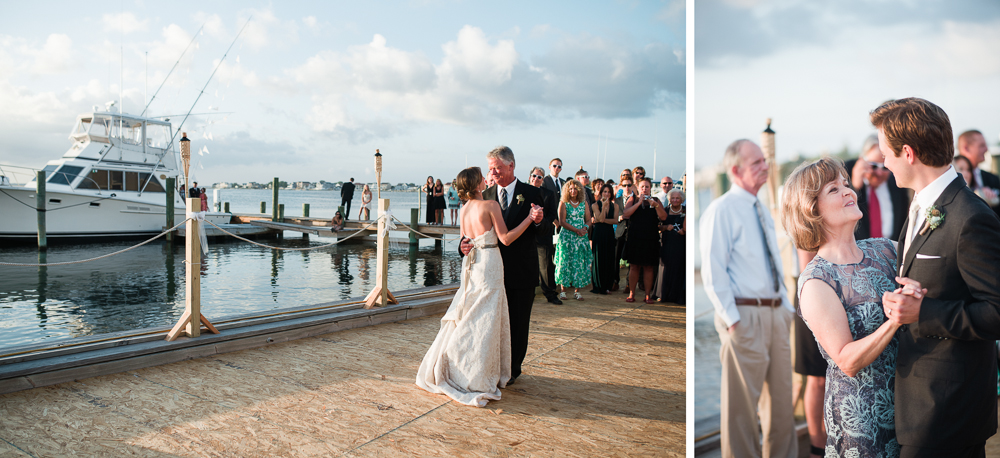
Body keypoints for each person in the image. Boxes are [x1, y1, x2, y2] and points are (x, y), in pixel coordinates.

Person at [873, 98, 1000, 456]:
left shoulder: (970, 217)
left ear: (908, 153)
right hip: (917, 404)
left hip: (948, 409)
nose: (883, 160)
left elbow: (996, 312)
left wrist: (923, 312)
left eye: (886, 152)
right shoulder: (918, 204)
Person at [783, 157, 902, 457]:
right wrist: (895, 321)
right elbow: (847, 360)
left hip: (911, 409)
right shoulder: (817, 281)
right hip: (862, 424)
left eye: (846, 184)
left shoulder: (886, 249)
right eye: (834, 189)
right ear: (812, 210)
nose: (849, 192)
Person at [700, 139, 797, 458]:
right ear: (735, 170)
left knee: (782, 407)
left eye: (764, 161)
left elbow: (773, 262)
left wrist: (785, 307)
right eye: (755, 162)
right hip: (744, 316)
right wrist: (733, 320)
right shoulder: (721, 210)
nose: (764, 167)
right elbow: (713, 272)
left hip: (775, 315)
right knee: (741, 414)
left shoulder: (761, 208)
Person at [416, 166, 543, 407]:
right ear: (477, 184)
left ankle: (458, 365)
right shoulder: (490, 206)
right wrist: (529, 218)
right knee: (486, 318)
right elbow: (505, 238)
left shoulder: (464, 209)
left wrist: (466, 247)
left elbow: (466, 241)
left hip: (471, 266)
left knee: (470, 315)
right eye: (482, 177)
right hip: (490, 264)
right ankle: (477, 372)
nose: (487, 178)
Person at [460, 146, 545, 384]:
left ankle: (512, 371)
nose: (493, 173)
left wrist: (538, 221)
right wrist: (462, 247)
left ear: (511, 166)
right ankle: (491, 367)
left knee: (518, 324)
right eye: (490, 169)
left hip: (521, 269)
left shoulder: (532, 193)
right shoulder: (484, 195)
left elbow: (547, 228)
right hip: (488, 272)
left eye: (496, 168)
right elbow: (468, 236)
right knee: (488, 323)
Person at [847, 134, 911, 240]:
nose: (879, 173)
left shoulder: (898, 184)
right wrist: (854, 188)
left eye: (885, 167)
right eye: (874, 166)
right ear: (862, 160)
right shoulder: (846, 174)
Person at [621, 178, 666, 303]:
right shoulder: (633, 199)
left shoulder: (655, 200)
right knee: (634, 266)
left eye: (647, 187)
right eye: (642, 187)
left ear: (650, 188)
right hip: (635, 238)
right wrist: (638, 202)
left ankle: (647, 295)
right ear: (638, 187)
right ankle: (631, 293)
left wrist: (655, 205)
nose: (644, 189)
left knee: (649, 268)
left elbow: (663, 217)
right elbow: (626, 214)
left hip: (650, 238)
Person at [528, 167, 562, 305]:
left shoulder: (548, 194)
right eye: (534, 175)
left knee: (546, 266)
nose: (536, 178)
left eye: (539, 177)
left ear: (543, 180)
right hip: (525, 235)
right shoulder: (522, 191)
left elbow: (552, 213)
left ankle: (550, 294)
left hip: (543, 234)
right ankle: (528, 294)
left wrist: (542, 224)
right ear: (530, 176)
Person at [554, 179, 593, 300]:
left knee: (579, 263)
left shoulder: (584, 203)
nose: (573, 191)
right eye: (570, 189)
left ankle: (577, 291)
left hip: (581, 237)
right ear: (567, 190)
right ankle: (563, 290)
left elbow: (588, 219)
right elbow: (562, 222)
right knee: (564, 262)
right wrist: (576, 230)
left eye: (575, 188)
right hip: (567, 237)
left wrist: (585, 228)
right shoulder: (563, 203)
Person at [957, 129, 1000, 215]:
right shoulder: (953, 178)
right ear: (966, 148)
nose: (986, 149)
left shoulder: (993, 178)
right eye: (981, 145)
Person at [654, 188, 685, 304]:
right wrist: (666, 228)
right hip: (666, 243)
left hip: (680, 244)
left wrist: (684, 231)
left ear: (682, 199)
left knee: (679, 268)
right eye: (673, 198)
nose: (675, 200)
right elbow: (658, 226)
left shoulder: (686, 211)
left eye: (677, 198)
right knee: (664, 268)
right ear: (669, 199)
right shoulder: (665, 210)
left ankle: (677, 296)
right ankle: (662, 294)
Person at [590, 183, 619, 295]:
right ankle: (598, 285)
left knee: (609, 257)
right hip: (598, 233)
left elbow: (615, 221)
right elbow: (601, 218)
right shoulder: (595, 205)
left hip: (609, 233)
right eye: (604, 192)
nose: (606, 194)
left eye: (608, 192)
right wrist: (604, 207)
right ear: (601, 193)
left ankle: (607, 285)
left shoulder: (615, 206)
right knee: (598, 258)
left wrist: (601, 220)